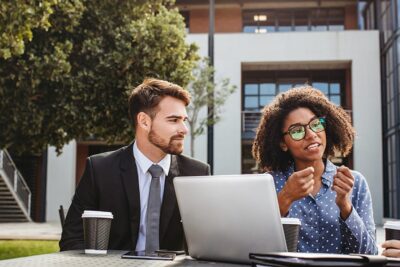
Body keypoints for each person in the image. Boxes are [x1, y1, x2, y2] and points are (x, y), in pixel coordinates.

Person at [60, 78, 210, 252]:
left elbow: (208, 244)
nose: (184, 129)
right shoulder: (100, 169)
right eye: (174, 120)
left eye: (184, 119)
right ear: (144, 121)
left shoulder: (197, 173)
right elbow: (72, 240)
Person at [252, 86, 378, 254]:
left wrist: (345, 206)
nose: (311, 134)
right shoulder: (269, 183)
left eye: (315, 124)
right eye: (297, 130)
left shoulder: (356, 183)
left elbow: (370, 254)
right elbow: (255, 249)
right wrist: (284, 199)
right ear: (283, 143)